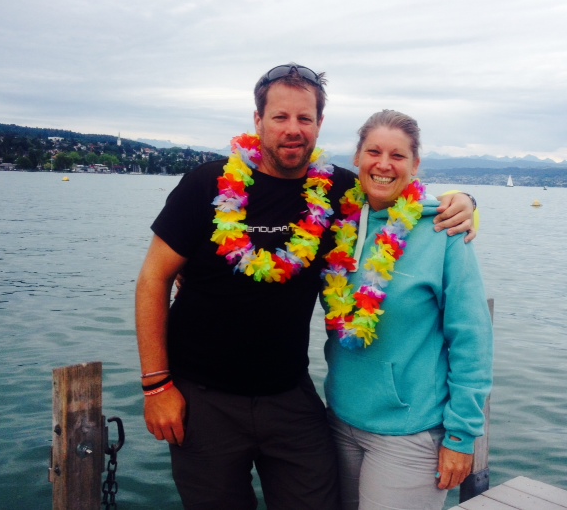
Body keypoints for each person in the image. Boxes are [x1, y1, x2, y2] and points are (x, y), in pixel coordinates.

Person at [135, 65, 476, 510]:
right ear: (258, 120)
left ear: (319, 124)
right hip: (203, 399)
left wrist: (465, 202)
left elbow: (396, 190)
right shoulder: (207, 184)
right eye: (280, 117)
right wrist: (157, 385)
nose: (292, 129)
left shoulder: (339, 190)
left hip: (290, 396)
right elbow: (153, 279)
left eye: (305, 118)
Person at [322, 110, 493, 510]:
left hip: (410, 433)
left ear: (415, 165)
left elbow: (472, 339)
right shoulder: (338, 225)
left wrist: (462, 435)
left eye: (397, 155)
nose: (383, 164)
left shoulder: (444, 230)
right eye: (374, 152)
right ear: (357, 158)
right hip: (339, 420)